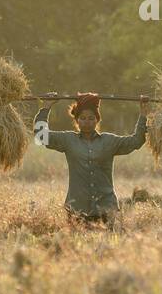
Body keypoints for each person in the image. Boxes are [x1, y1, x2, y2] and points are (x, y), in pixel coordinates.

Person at [35, 92, 152, 226]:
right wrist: (46, 107)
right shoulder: (68, 140)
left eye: (91, 118)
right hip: (77, 209)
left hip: (106, 208)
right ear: (76, 120)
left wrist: (143, 113)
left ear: (97, 120)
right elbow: (41, 137)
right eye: (83, 118)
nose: (87, 122)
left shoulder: (109, 141)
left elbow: (136, 141)